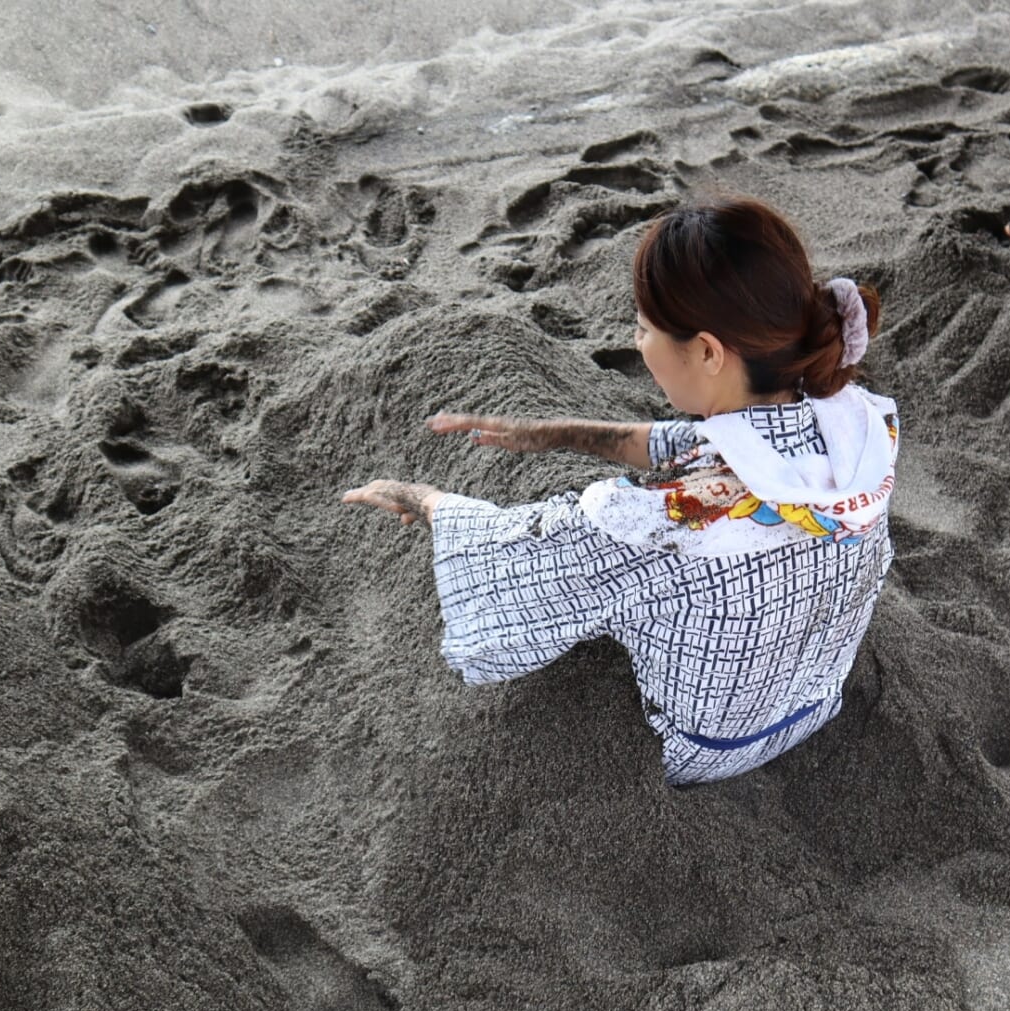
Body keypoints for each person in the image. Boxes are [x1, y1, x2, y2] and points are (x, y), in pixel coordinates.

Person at [342, 196, 899, 786]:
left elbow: (519, 553)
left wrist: (425, 500)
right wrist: (558, 435)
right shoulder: (861, 433)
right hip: (815, 698)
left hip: (710, 747)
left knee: (567, 607)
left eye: (643, 328)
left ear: (708, 352)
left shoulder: (654, 520)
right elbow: (717, 450)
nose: (638, 344)